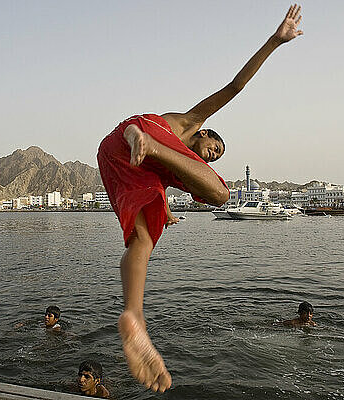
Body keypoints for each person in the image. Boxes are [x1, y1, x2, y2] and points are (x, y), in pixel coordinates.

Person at [96, 5, 303, 393]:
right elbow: (235, 87)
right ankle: (149, 145)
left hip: (122, 159)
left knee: (143, 239)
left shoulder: (178, 169)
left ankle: (134, 319)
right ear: (204, 132)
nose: (213, 154)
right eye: (214, 146)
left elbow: (161, 179)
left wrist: (165, 208)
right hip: (139, 135)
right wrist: (275, 41)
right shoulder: (190, 121)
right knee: (221, 191)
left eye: (217, 156)